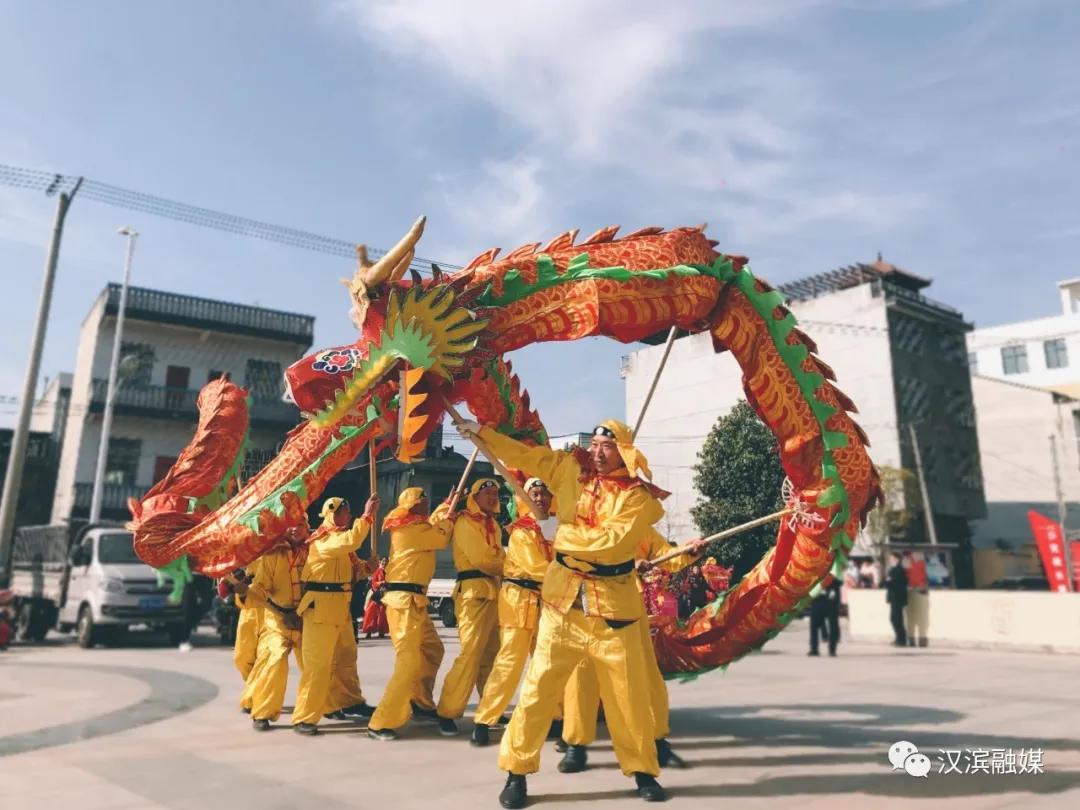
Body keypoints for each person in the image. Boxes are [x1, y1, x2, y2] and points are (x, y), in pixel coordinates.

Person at [459, 418, 669, 808]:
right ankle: (515, 772)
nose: (598, 450)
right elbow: (524, 455)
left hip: (614, 610)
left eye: (608, 445)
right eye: (596, 443)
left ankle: (643, 770)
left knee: (629, 697)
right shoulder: (568, 469)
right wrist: (482, 434)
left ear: (624, 450)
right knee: (537, 691)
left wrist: (562, 536)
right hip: (562, 605)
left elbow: (613, 543)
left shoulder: (639, 498)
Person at [558, 527, 703, 774]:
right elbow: (575, 556)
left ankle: (657, 739)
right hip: (586, 604)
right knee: (582, 676)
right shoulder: (583, 517)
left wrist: (688, 552)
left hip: (628, 607)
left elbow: (666, 554)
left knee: (645, 674)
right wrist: (626, 564)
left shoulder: (640, 523)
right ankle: (576, 744)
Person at [470, 478, 555, 747]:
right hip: (519, 599)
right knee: (509, 662)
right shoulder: (522, 531)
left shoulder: (556, 529)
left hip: (547, 600)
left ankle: (554, 717)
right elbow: (537, 567)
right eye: (534, 493)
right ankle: (484, 720)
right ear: (522, 498)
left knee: (548, 662)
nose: (540, 498)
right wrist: (573, 576)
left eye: (544, 493)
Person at [367, 487, 455, 740]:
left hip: (415, 600)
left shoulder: (419, 525)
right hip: (403, 601)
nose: (425, 506)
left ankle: (421, 702)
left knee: (432, 650)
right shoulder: (407, 528)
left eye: (427, 502)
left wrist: (446, 503)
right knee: (408, 662)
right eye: (421, 503)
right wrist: (448, 515)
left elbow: (434, 525)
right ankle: (380, 721)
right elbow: (439, 536)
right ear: (409, 506)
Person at [291, 494, 379, 735]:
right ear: (334, 514)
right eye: (346, 512)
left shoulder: (339, 545)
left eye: (350, 513)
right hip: (321, 608)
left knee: (346, 660)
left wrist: (367, 568)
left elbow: (352, 572)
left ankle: (348, 701)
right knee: (318, 666)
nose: (349, 517)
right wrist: (367, 516)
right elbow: (350, 540)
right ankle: (304, 717)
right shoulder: (324, 539)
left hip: (340, 608)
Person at [436, 478, 506, 736]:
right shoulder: (465, 522)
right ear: (474, 497)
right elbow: (485, 559)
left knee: (492, 657)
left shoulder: (494, 525)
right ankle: (447, 711)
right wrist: (516, 565)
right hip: (473, 593)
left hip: (494, 590)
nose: (492, 497)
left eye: (495, 493)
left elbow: (496, 557)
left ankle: (490, 711)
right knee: (470, 655)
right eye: (486, 493)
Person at [235, 524, 309, 730]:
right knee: (273, 660)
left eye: (300, 524)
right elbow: (260, 587)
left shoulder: (315, 550)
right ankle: (262, 712)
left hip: (308, 620)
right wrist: (244, 592)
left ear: (307, 528)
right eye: (290, 525)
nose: (295, 529)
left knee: (315, 667)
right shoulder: (272, 554)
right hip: (277, 621)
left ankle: (307, 717)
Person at [808, 577, 841, 657]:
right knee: (814, 625)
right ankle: (814, 649)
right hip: (818, 599)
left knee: (833, 625)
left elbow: (839, 581)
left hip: (831, 599)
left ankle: (832, 649)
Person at [904, 551, 930, 647]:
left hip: (911, 589)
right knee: (922, 616)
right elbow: (925, 575)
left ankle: (911, 639)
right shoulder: (921, 560)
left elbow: (906, 574)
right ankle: (921, 638)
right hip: (920, 588)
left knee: (911, 617)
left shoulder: (907, 560)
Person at [361, 558, 389, 638]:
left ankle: (382, 631)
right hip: (375, 594)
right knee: (371, 613)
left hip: (385, 595)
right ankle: (368, 631)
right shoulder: (377, 571)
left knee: (382, 613)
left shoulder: (389, 572)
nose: (384, 563)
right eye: (383, 561)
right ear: (380, 562)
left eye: (386, 562)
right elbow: (373, 583)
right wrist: (381, 583)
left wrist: (386, 586)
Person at [885, 552, 908, 647]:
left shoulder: (899, 570)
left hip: (898, 597)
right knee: (894, 619)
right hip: (893, 597)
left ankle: (901, 639)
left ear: (897, 559)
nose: (890, 560)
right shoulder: (892, 570)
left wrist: (888, 581)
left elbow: (895, 583)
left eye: (892, 559)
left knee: (896, 619)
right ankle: (899, 638)